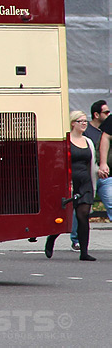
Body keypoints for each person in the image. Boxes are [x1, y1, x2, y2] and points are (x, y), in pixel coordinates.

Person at [44, 109, 98, 261]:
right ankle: (52, 238)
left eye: (85, 121)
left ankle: (84, 252)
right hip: (69, 181)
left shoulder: (88, 142)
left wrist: (98, 172)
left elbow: (91, 162)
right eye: (81, 121)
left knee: (83, 215)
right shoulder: (65, 141)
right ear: (73, 123)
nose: (84, 124)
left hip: (85, 182)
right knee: (64, 214)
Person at [68, 100, 112, 250]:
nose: (108, 114)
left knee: (105, 205)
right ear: (96, 114)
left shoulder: (96, 136)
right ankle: (70, 239)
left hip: (96, 176)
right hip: (78, 179)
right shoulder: (82, 136)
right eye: (105, 112)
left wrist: (100, 169)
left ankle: (82, 249)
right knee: (77, 212)